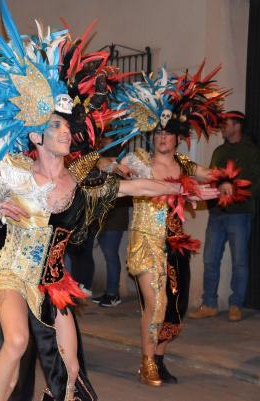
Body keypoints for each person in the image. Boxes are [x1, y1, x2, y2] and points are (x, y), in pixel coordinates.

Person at [0, 3, 218, 399]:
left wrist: (185, 189)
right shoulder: (18, 172)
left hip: (53, 282)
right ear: (37, 137)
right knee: (18, 342)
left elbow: (135, 188)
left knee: (73, 369)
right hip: (13, 274)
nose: (65, 132)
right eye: (55, 125)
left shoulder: (79, 184)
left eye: (67, 125)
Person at [102, 66, 234, 385]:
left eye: (168, 134)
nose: (162, 138)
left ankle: (158, 360)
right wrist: (112, 165)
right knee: (156, 302)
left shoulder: (185, 165)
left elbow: (211, 174)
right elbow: (104, 164)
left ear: (177, 138)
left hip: (174, 245)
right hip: (145, 243)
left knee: (174, 311)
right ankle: (146, 363)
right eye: (158, 134)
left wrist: (227, 181)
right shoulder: (138, 162)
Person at [189, 111, 260, 322]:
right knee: (210, 259)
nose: (222, 127)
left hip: (240, 214)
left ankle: (236, 304)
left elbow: (257, 182)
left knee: (239, 261)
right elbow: (211, 177)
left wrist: (238, 191)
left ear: (237, 126)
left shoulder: (252, 152)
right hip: (217, 214)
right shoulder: (219, 151)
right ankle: (209, 303)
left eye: (226, 123)